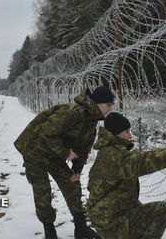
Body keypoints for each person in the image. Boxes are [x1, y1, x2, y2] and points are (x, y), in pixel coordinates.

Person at [14, 86, 115, 239]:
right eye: (108, 104)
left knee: (72, 185)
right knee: (43, 192)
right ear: (98, 103)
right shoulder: (73, 111)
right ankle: (49, 231)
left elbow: (83, 150)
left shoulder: (91, 122)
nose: (110, 108)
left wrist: (76, 171)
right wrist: (66, 153)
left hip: (54, 154)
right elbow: (47, 132)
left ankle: (81, 228)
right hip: (35, 151)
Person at [87, 112, 166, 239]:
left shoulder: (107, 152)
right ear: (116, 133)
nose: (130, 135)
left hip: (105, 218)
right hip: (111, 224)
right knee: (161, 210)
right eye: (126, 131)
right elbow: (148, 160)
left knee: (141, 210)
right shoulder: (114, 156)